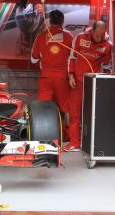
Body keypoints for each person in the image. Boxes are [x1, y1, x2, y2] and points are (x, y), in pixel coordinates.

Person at [65, 21, 112, 152]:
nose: (98, 38)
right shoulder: (80, 37)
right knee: (74, 113)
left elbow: (107, 66)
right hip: (78, 82)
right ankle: (75, 143)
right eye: (97, 35)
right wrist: (71, 75)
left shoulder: (108, 45)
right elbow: (72, 57)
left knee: (95, 114)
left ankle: (94, 143)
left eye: (101, 36)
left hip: (95, 84)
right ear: (92, 31)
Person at [31, 9, 73, 141]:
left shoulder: (41, 36)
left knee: (43, 107)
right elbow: (73, 58)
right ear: (62, 21)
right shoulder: (69, 37)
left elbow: (33, 59)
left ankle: (42, 135)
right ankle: (70, 135)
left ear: (49, 21)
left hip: (46, 78)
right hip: (62, 77)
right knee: (66, 107)